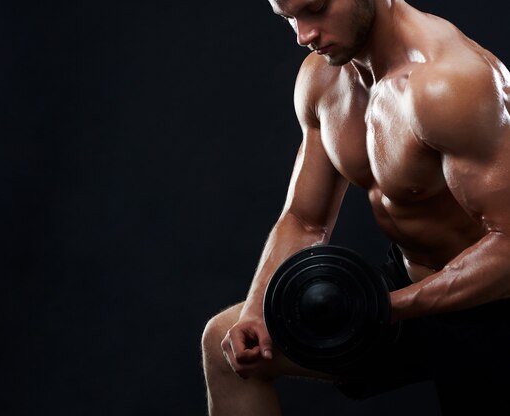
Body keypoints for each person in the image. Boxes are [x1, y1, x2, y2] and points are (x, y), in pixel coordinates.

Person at [201, 0, 510, 414]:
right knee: (226, 342)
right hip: (406, 288)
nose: (304, 35)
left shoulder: (450, 82)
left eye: (316, 8)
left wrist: (386, 307)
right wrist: (257, 310)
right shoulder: (324, 79)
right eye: (289, 17)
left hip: (495, 304)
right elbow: (304, 219)